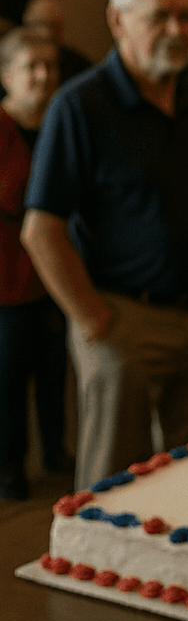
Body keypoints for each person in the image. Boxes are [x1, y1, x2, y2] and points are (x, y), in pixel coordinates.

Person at [20, 0, 188, 492]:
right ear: (117, 20)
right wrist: (95, 321)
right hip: (124, 319)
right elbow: (41, 230)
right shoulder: (79, 107)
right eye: (160, 17)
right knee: (114, 487)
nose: (177, 31)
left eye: (187, 16)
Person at [0, 27, 69, 499]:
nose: (42, 76)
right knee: (7, 379)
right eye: (31, 66)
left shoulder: (62, 123)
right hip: (7, 277)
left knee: (54, 369)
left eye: (50, 66)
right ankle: (8, 464)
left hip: (58, 275)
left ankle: (55, 449)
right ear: (6, 74)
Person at [22, 0, 93, 86]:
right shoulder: (12, 60)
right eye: (42, 24)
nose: (49, 32)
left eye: (56, 25)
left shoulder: (78, 64)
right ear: (27, 26)